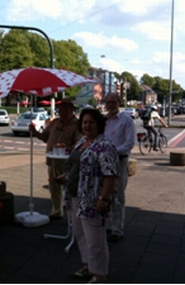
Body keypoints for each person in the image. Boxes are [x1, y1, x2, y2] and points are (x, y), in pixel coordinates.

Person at [56, 108, 119, 283]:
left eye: (91, 122)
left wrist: (103, 199)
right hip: (77, 198)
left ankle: (99, 275)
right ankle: (88, 267)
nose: (87, 125)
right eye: (84, 122)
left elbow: (111, 175)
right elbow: (78, 167)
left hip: (93, 202)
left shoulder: (105, 145)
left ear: (99, 124)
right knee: (81, 236)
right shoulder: (82, 141)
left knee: (95, 241)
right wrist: (65, 178)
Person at [29, 98, 82, 221]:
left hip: (67, 162)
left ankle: (73, 215)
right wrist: (34, 132)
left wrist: (67, 148)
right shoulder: (54, 122)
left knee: (70, 189)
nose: (60, 111)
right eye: (59, 109)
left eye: (63, 109)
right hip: (52, 161)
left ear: (70, 110)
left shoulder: (77, 125)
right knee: (54, 187)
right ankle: (57, 211)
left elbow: (79, 142)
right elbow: (45, 137)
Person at [104, 93, 136, 242]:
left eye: (113, 102)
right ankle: (108, 225)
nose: (110, 105)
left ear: (119, 102)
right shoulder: (104, 120)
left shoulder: (127, 121)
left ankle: (117, 229)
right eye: (108, 102)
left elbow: (129, 143)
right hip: (104, 161)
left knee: (118, 194)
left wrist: (112, 151)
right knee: (105, 193)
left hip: (119, 160)